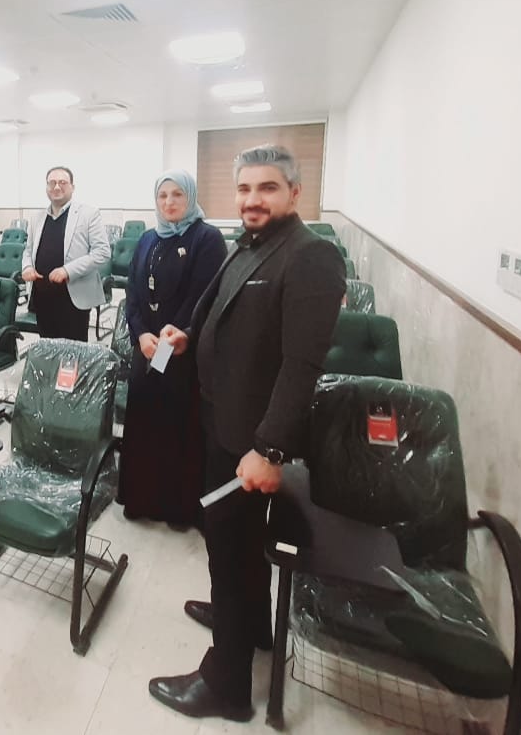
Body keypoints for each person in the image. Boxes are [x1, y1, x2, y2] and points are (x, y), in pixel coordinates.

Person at [147, 144, 346, 722]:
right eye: (244, 188)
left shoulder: (310, 256)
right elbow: (224, 314)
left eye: (267, 188)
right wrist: (189, 337)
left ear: (295, 193)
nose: (252, 199)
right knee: (229, 544)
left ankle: (227, 686)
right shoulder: (251, 243)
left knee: (231, 552)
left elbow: (302, 366)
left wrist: (269, 449)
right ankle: (251, 622)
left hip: (253, 440)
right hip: (223, 421)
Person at [118, 170, 227, 528]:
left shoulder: (207, 238)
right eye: (162, 195)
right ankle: (141, 500)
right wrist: (140, 335)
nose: (169, 202)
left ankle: (177, 509)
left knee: (178, 427)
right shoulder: (148, 239)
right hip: (147, 348)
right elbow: (133, 293)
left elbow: (203, 297)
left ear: (191, 197)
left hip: (182, 352)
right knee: (144, 423)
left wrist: (170, 338)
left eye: (177, 194)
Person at [20, 166, 111, 341]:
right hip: (42, 297)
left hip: (73, 298)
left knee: (73, 351)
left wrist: (67, 270)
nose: (56, 187)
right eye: (52, 183)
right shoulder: (37, 217)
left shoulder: (88, 213)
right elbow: (28, 250)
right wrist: (27, 267)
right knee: (47, 347)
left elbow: (102, 252)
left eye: (62, 182)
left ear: (72, 187)